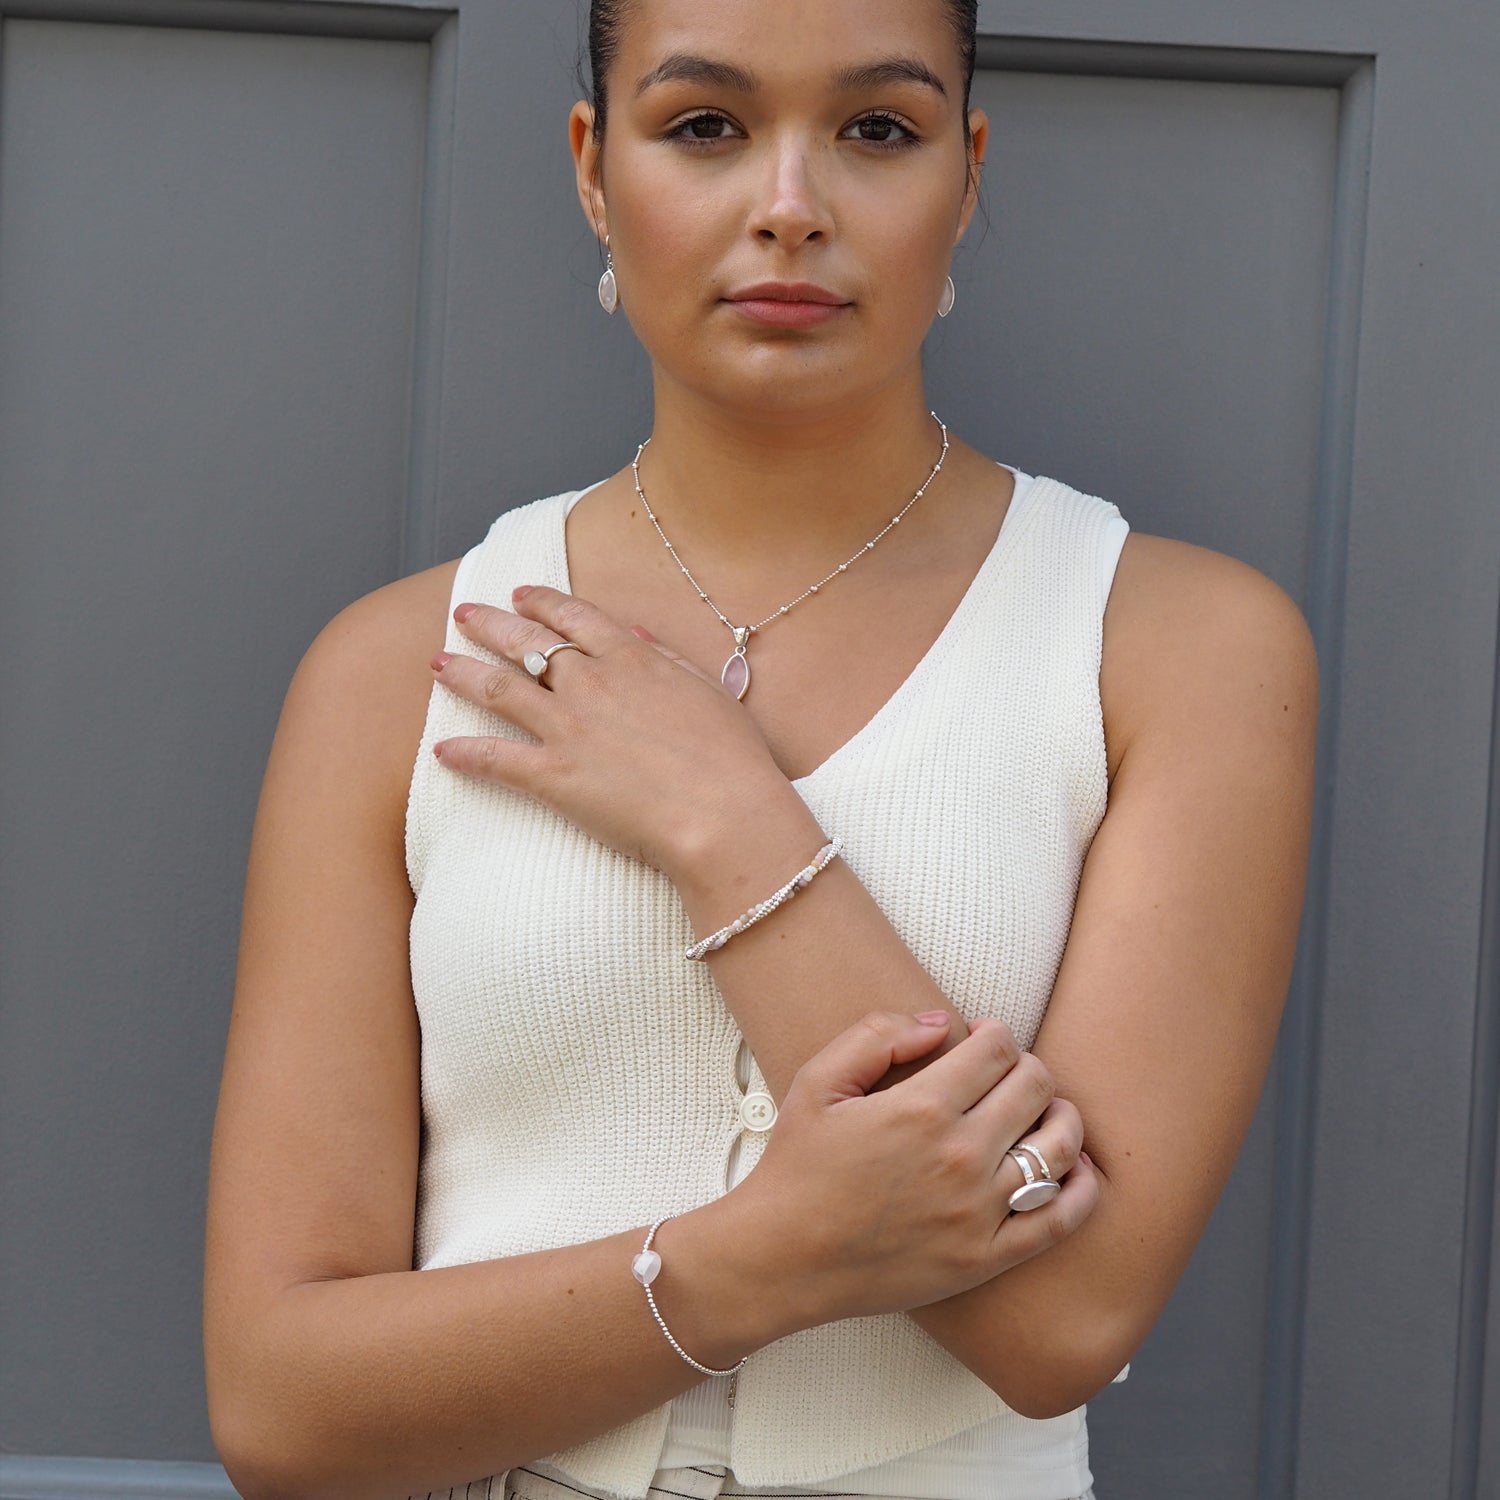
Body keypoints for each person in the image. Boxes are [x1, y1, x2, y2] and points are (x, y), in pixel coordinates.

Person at [202, 1, 1318, 1497]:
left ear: (966, 174)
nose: (789, 210)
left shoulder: (1175, 645)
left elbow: (1062, 1316)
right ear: (596, 169)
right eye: (706, 127)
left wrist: (732, 821)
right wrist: (754, 1263)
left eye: (877, 130)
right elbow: (285, 1411)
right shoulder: (399, 671)